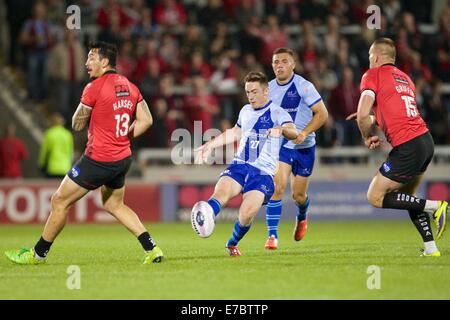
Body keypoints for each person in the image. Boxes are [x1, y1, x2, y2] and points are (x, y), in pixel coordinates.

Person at [5, 41, 163, 265]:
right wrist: (123, 137)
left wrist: (88, 105)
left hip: (99, 159)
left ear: (105, 62)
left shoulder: (94, 87)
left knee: (59, 201)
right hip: (122, 158)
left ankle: (37, 254)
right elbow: (147, 120)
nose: (86, 62)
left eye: (91, 57)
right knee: (114, 204)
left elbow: (77, 125)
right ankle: (152, 248)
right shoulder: (130, 86)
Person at [352, 38, 448, 257]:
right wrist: (375, 119)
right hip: (425, 141)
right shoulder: (406, 79)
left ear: (375, 56)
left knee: (374, 197)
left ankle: (436, 206)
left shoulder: (371, 75)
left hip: (408, 145)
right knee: (410, 198)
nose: (369, 60)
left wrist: (367, 135)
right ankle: (431, 248)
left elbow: (361, 114)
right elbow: (396, 112)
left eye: (369, 56)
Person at [193, 71, 299, 256]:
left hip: (263, 174)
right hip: (240, 165)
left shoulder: (277, 112)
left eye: (255, 92)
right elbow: (234, 132)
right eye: (248, 92)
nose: (251, 96)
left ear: (266, 91)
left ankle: (232, 243)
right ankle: (205, 214)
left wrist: (281, 130)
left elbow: (294, 132)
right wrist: (210, 145)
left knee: (246, 213)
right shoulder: (245, 111)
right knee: (222, 192)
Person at [264, 48, 328, 250]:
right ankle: (272, 236)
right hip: (282, 144)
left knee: (298, 196)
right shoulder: (268, 89)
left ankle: (302, 216)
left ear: (293, 64)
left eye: (284, 61)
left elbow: (322, 114)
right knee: (277, 186)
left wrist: (304, 133)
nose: (279, 65)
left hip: (304, 146)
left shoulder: (303, 86)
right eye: (275, 62)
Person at [38, 113, 74, 178]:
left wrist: (41, 165)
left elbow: (45, 152)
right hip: (65, 168)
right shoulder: (68, 134)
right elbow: (70, 152)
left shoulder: (49, 133)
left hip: (52, 168)